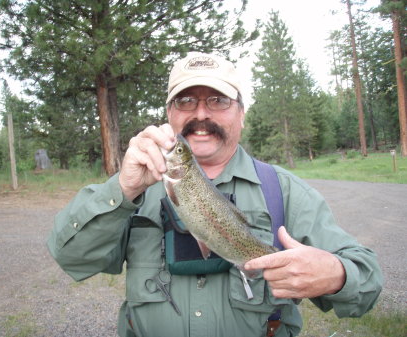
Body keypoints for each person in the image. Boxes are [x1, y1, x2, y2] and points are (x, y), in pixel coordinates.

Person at [47, 52, 383, 337]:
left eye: (218, 100)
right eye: (186, 100)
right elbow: (71, 258)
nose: (201, 113)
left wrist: (337, 274)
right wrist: (124, 187)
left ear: (241, 113)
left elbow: (367, 283)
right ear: (169, 113)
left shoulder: (285, 191)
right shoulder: (135, 190)